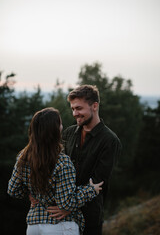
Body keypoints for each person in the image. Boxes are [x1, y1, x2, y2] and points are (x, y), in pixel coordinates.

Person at [7, 107, 104, 235]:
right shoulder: (62, 162)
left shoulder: (23, 157)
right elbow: (66, 203)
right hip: (60, 225)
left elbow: (13, 190)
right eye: (60, 123)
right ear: (54, 131)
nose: (62, 127)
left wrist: (32, 194)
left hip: (34, 226)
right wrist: (91, 190)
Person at [47, 85, 122, 235]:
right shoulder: (68, 133)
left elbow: (98, 182)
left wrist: (69, 206)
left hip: (89, 218)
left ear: (94, 106)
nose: (75, 113)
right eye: (73, 109)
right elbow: (52, 167)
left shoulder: (110, 141)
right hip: (60, 215)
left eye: (79, 108)